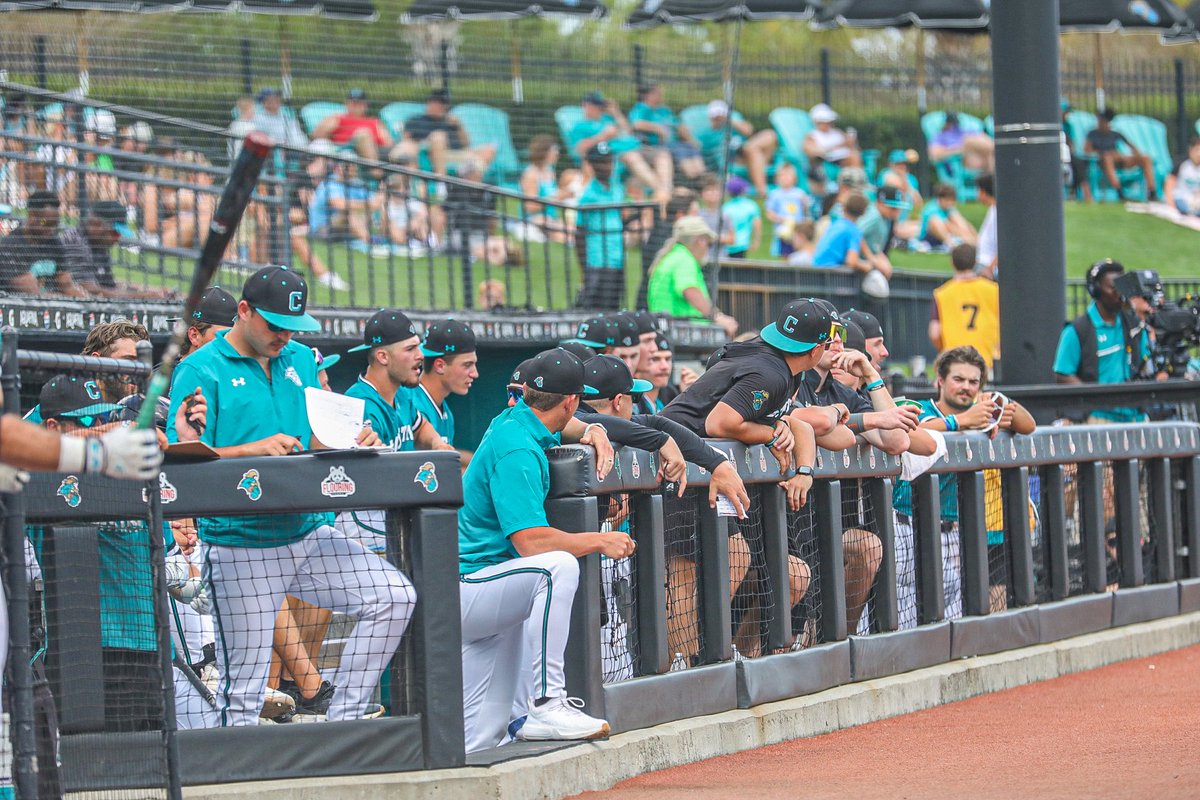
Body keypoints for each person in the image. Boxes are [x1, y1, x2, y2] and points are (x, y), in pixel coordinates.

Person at [166, 266, 415, 725]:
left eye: (292, 326)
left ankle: (341, 723)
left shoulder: (300, 359)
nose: (284, 335)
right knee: (243, 692)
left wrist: (352, 437)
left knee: (393, 596)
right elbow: (180, 462)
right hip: (241, 543)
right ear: (244, 311)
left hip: (306, 532)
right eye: (275, 324)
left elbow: (310, 438)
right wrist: (248, 451)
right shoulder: (199, 368)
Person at [458, 349, 630, 752]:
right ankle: (546, 702)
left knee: (479, 741)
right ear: (571, 400)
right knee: (556, 567)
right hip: (471, 586)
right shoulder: (516, 447)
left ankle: (526, 715)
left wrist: (595, 431)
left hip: (492, 592)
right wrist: (600, 540)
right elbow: (530, 542)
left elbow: (563, 425)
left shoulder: (518, 420)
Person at [890, 347, 1034, 625]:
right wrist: (961, 421)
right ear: (940, 381)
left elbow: (1028, 426)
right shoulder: (919, 408)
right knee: (904, 614)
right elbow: (916, 429)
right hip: (904, 526)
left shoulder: (981, 416)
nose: (966, 387)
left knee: (952, 617)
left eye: (973, 382)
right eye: (958, 379)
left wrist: (998, 403)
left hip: (952, 529)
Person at [1053, 259, 1150, 423]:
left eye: (1121, 287)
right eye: (1113, 288)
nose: (1120, 294)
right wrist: (1096, 399)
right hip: (1098, 419)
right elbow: (1063, 374)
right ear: (1096, 290)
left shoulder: (1134, 326)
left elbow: (1146, 364)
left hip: (1135, 417)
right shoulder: (1078, 330)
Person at [646, 215, 738, 337]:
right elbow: (689, 290)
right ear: (699, 241)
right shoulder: (684, 259)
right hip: (680, 332)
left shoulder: (674, 255)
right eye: (708, 244)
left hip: (669, 329)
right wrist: (717, 317)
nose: (707, 249)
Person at [60, 201, 173, 299]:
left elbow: (109, 287)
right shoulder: (75, 242)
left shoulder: (99, 246)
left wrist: (150, 293)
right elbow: (89, 289)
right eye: (115, 233)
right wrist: (143, 296)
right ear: (97, 225)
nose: (117, 240)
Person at [570, 91, 669, 199]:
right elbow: (580, 149)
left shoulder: (607, 119)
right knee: (632, 157)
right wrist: (604, 136)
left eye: (600, 105)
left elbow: (629, 131)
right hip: (614, 155)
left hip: (637, 147)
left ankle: (667, 189)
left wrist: (616, 113)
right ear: (586, 105)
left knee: (663, 155)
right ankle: (663, 191)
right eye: (595, 105)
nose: (598, 108)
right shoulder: (579, 126)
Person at [391, 90, 495, 179]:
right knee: (438, 137)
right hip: (431, 155)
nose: (435, 106)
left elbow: (466, 144)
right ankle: (442, 183)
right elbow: (406, 139)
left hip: (454, 154)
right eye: (433, 103)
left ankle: (470, 185)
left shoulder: (449, 122)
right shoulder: (417, 120)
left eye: (439, 104)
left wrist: (459, 125)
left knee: (489, 149)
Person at [575, 143, 631, 311]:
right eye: (601, 162)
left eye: (609, 161)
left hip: (617, 259)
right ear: (592, 165)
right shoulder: (588, 196)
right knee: (595, 310)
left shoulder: (617, 189)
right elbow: (579, 233)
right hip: (597, 261)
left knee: (613, 308)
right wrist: (584, 268)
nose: (607, 166)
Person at [0, 190, 85, 295]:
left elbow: (66, 284)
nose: (52, 230)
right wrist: (59, 298)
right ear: (31, 216)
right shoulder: (12, 245)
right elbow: (32, 292)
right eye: (46, 223)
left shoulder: (54, 244)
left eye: (55, 224)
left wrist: (87, 303)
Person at [929, 244, 1000, 368]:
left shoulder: (942, 293)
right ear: (975, 262)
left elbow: (935, 333)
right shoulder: (994, 290)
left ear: (952, 262)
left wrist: (944, 348)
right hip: (987, 360)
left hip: (954, 362)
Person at [414, 319, 478, 455]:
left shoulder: (444, 411)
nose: (475, 374)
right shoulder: (412, 406)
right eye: (467, 365)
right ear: (440, 366)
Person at [696, 100, 778, 199]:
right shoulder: (706, 133)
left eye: (720, 115)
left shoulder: (733, 127)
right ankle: (762, 192)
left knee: (770, 134)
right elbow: (705, 152)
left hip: (745, 151)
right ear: (710, 117)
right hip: (732, 159)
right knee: (752, 150)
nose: (718, 118)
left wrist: (730, 120)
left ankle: (759, 178)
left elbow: (749, 131)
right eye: (716, 116)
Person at [628, 83, 706, 181]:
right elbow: (637, 124)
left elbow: (678, 125)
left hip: (675, 142)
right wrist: (657, 128)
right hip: (656, 145)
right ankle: (694, 180)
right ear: (649, 95)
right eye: (658, 93)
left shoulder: (664, 110)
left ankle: (702, 177)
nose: (661, 96)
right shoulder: (641, 108)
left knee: (691, 148)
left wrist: (691, 139)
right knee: (680, 151)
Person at [1084, 107, 1157, 201]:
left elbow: (1131, 146)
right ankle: (1119, 191)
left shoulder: (1114, 134)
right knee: (1108, 158)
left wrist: (1136, 154)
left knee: (1145, 158)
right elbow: (1087, 150)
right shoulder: (1092, 134)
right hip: (1103, 161)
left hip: (1118, 158)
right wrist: (1102, 153)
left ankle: (1152, 191)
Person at [311, 88, 393, 163]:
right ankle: (375, 171)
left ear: (366, 105)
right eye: (353, 103)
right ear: (347, 104)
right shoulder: (338, 118)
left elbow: (389, 143)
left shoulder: (374, 122)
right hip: (348, 152)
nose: (356, 106)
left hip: (376, 152)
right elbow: (316, 136)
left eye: (359, 103)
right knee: (363, 135)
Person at [517, 135, 573, 243]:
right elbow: (530, 206)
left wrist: (564, 195)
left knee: (572, 227)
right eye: (554, 150)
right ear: (544, 152)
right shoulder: (531, 175)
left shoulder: (550, 171)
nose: (557, 154)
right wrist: (555, 197)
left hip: (551, 217)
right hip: (534, 219)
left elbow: (553, 196)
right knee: (563, 233)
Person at [803, 103, 862, 188]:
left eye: (828, 121)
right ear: (817, 122)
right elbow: (809, 150)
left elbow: (851, 145)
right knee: (853, 156)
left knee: (855, 154)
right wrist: (835, 147)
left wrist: (850, 141)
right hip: (828, 161)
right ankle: (856, 183)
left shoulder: (837, 132)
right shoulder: (813, 135)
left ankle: (857, 183)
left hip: (844, 158)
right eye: (824, 122)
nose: (827, 124)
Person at [812, 192, 870, 269]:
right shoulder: (853, 231)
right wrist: (866, 266)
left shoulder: (836, 224)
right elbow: (851, 261)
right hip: (831, 274)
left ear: (844, 208)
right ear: (864, 212)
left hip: (816, 271)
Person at [765, 163, 810, 257]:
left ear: (795, 179)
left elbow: (805, 210)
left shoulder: (799, 193)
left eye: (788, 175)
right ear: (777, 179)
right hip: (783, 232)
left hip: (798, 230)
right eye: (782, 175)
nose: (785, 178)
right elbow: (769, 213)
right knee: (785, 254)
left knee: (799, 253)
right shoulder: (775, 194)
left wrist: (805, 205)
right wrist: (780, 219)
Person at [928, 112, 994, 173]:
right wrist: (959, 149)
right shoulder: (940, 136)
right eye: (949, 123)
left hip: (976, 155)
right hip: (957, 161)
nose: (952, 126)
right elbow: (934, 155)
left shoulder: (966, 131)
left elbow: (986, 141)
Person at [918, 183, 977, 250]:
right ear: (941, 199)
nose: (951, 203)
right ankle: (952, 245)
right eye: (948, 200)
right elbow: (947, 226)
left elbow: (962, 222)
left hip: (946, 236)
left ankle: (975, 241)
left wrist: (971, 235)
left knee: (956, 217)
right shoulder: (931, 209)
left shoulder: (948, 208)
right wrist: (964, 236)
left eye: (952, 200)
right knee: (935, 221)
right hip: (929, 238)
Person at [635, 332, 680, 414]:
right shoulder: (631, 401)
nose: (665, 366)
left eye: (668, 359)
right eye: (655, 359)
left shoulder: (670, 395)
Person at [720, 176, 761, 259]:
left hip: (726, 243)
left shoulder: (725, 207)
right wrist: (756, 240)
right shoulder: (751, 205)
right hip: (742, 244)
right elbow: (757, 224)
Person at [1164, 137, 1200, 216]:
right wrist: (1170, 204)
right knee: (1184, 208)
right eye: (1197, 150)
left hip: (1197, 200)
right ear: (1191, 150)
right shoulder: (1182, 164)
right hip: (1182, 197)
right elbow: (1169, 183)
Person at [974, 173, 998, 279]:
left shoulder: (997, 213)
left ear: (983, 192)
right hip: (982, 263)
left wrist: (989, 270)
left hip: (986, 268)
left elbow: (1003, 246)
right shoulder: (992, 210)